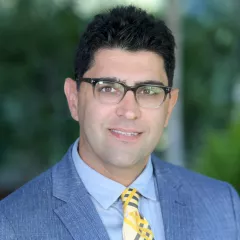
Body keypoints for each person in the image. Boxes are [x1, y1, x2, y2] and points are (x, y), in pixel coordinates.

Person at [0, 5, 239, 240]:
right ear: (74, 99)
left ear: (169, 106)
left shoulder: (224, 207)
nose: (129, 111)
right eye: (108, 88)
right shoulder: (11, 225)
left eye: (148, 91)